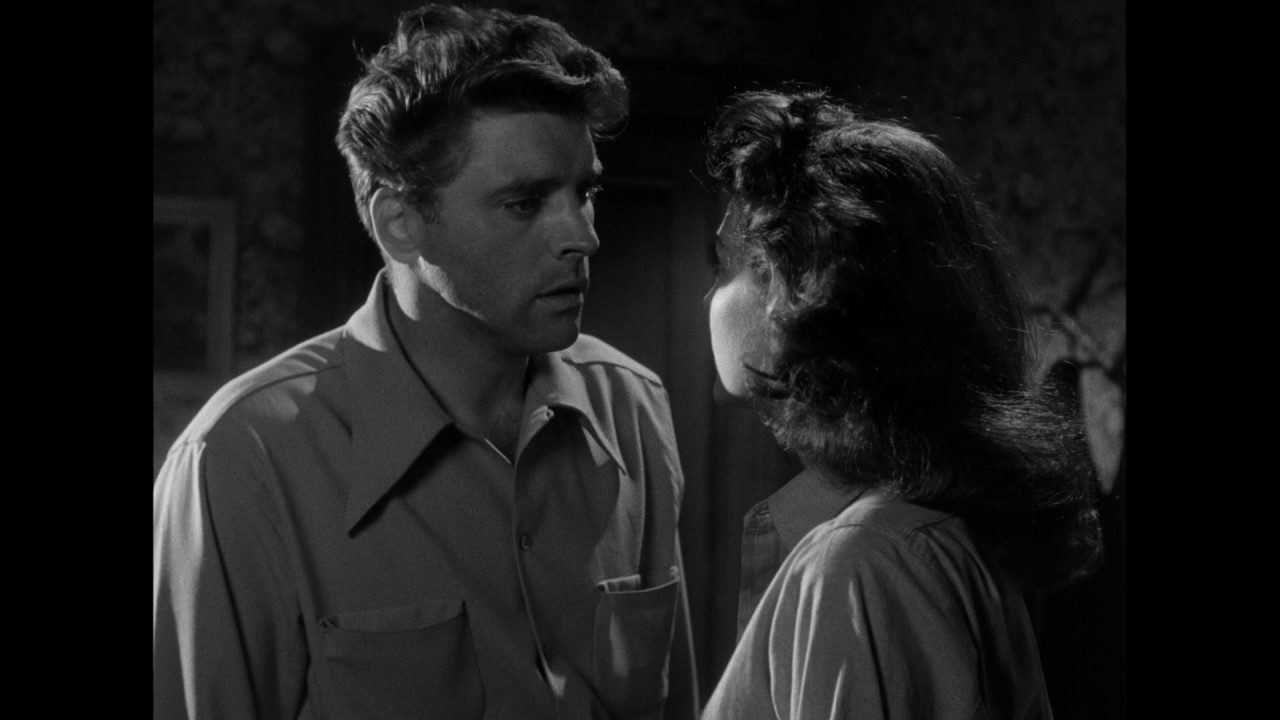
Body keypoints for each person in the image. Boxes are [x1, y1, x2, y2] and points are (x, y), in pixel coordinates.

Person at [152, 5, 698, 719]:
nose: (583, 237)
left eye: (585, 192)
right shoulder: (243, 460)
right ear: (401, 224)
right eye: (525, 202)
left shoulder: (633, 406)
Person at [698, 89, 1103, 719]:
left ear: (795, 289)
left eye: (722, 268)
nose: (710, 300)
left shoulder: (864, 560)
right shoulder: (925, 527)